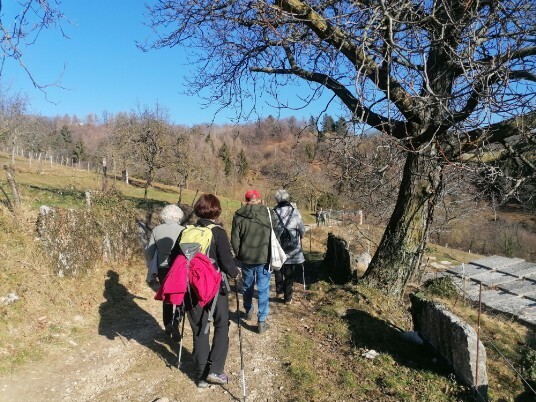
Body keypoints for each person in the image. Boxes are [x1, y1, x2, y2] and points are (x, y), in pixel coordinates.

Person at [168, 194, 240, 388]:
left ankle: (201, 376)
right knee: (221, 324)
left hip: (191, 288)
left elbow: (172, 259)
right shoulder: (218, 232)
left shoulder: (186, 231)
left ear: (198, 209)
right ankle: (215, 370)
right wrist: (236, 273)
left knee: (199, 328)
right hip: (215, 288)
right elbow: (227, 263)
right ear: (216, 211)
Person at [231, 189, 272, 334]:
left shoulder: (239, 216)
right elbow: (275, 235)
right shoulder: (268, 214)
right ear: (259, 200)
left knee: (247, 285)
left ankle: (248, 310)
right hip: (264, 257)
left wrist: (239, 255)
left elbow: (235, 239)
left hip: (247, 257)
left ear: (246, 200)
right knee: (263, 288)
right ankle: (261, 320)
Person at [144, 204, 185, 339]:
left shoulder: (157, 230)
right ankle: (176, 323)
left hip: (162, 268)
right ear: (178, 215)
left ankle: (167, 323)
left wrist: (150, 265)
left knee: (166, 296)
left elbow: (150, 251)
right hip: (179, 268)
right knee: (180, 296)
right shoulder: (183, 230)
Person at [273, 189, 305, 304]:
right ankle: (288, 298)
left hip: (278, 245)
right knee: (289, 271)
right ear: (287, 198)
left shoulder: (273, 212)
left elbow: (270, 228)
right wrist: (301, 235)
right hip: (292, 245)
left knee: (277, 267)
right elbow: (301, 228)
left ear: (276, 200)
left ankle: (279, 290)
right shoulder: (294, 211)